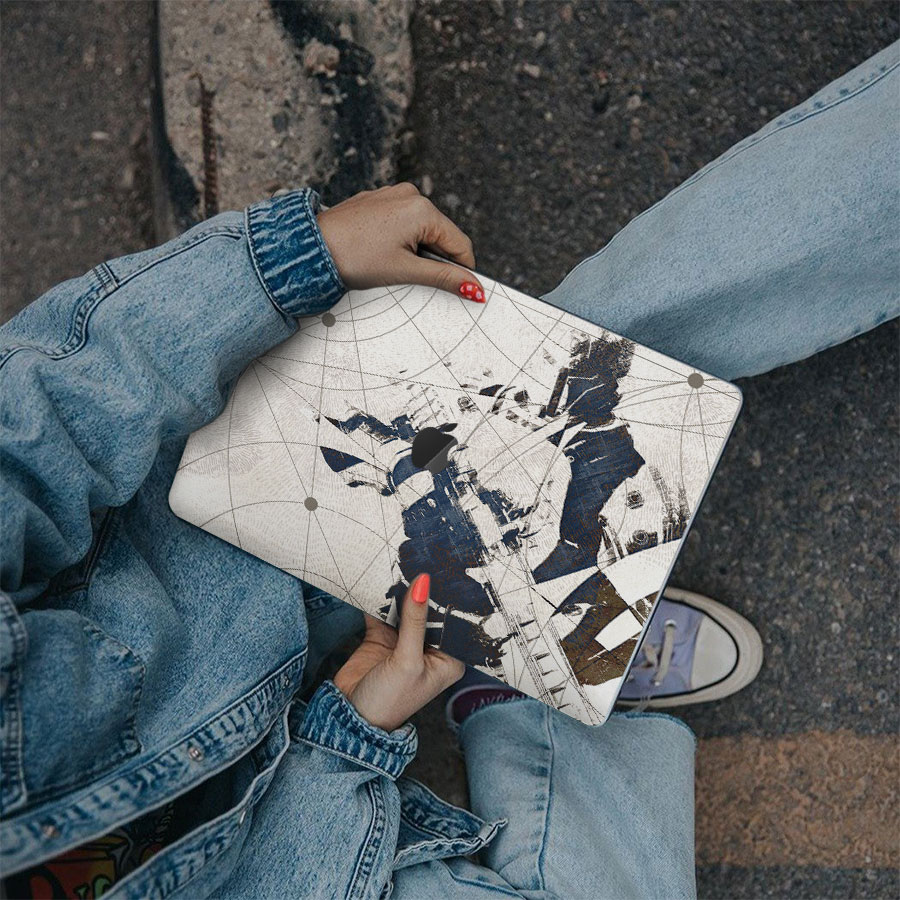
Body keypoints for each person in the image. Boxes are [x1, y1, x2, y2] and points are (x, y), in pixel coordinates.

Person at [1, 38, 897, 900]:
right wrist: (348, 737)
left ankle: (553, 642)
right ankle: (539, 660)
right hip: (293, 839)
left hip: (219, 545)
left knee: (598, 374)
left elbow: (32, 433)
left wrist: (286, 262)